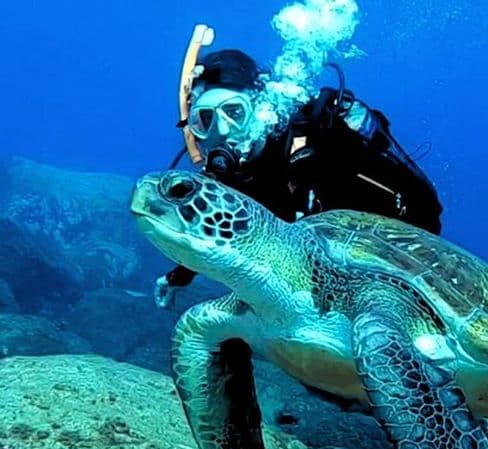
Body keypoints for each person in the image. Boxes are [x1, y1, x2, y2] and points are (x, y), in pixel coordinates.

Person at [155, 28, 443, 308]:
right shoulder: (230, 176)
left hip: (387, 275)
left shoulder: (319, 141)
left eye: (234, 112)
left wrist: (333, 154)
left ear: (259, 105)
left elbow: (424, 210)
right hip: (300, 284)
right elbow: (216, 225)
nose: (222, 130)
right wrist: (179, 275)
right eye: (205, 120)